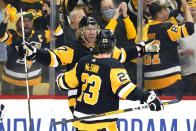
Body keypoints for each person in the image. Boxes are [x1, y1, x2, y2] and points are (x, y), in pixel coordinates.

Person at [21, 15, 160, 110]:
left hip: (102, 98)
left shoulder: (103, 47)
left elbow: (123, 54)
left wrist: (143, 48)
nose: (92, 32)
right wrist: (35, 53)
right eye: (88, 29)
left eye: (94, 29)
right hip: (80, 100)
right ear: (81, 31)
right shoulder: (73, 48)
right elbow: (52, 57)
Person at [56, 29, 163, 131]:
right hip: (103, 123)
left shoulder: (83, 62)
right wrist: (147, 97)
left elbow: (63, 83)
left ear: (96, 45)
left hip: (81, 122)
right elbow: (126, 90)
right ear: (113, 46)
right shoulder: (113, 65)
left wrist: (59, 78)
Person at [0, 9, 63, 95]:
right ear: (17, 24)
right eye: (22, 21)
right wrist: (6, 18)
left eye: (29, 21)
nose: (26, 23)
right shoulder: (12, 35)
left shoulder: (40, 35)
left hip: (33, 82)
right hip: (9, 82)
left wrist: (48, 15)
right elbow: (0, 34)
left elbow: (59, 35)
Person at [143, 0, 194, 100]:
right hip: (169, 79)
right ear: (159, 14)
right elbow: (189, 29)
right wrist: (186, 7)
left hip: (150, 82)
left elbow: (160, 48)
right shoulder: (167, 28)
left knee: (154, 110)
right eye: (165, 9)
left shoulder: (145, 28)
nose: (168, 11)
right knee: (173, 110)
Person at [178, 1, 196, 95]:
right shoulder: (178, 29)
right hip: (185, 74)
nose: (192, 8)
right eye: (190, 6)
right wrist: (182, 52)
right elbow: (172, 51)